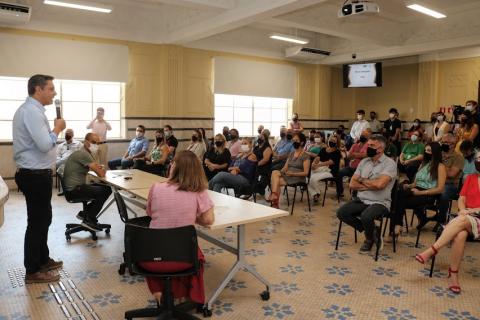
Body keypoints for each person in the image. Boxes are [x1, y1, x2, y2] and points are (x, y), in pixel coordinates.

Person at [139, 150, 214, 305]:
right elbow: (208, 220)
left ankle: (159, 293)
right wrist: (192, 214)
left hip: (150, 258)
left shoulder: (155, 187)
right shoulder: (199, 191)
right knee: (195, 252)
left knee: (160, 243)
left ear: (174, 167)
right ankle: (185, 297)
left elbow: (150, 213)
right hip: (183, 259)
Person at [13, 74, 66, 283]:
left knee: (44, 219)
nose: (54, 93)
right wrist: (57, 129)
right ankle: (33, 271)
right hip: (34, 176)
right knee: (37, 222)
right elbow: (45, 144)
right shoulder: (31, 112)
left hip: (37, 174)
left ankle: (43, 259)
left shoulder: (33, 110)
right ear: (38, 89)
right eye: (51, 89)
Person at [415, 152, 480, 294]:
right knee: (460, 234)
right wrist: (463, 210)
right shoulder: (471, 178)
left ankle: (432, 250)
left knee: (461, 223)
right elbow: (461, 199)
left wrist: (470, 211)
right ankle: (453, 275)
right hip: (466, 218)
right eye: (478, 159)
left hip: (477, 218)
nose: (478, 161)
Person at [336, 135, 397, 252]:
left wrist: (362, 180)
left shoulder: (390, 164)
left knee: (366, 216)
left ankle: (369, 239)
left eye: (372, 145)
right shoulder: (364, 162)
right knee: (342, 213)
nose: (368, 147)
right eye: (368, 145)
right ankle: (372, 230)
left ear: (381, 149)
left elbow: (380, 185)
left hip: (380, 202)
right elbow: (352, 184)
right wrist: (371, 184)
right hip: (362, 199)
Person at [392, 142, 446, 233]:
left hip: (428, 193)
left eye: (429, 150)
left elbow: (440, 189)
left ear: (435, 152)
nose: (426, 152)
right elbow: (415, 183)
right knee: (398, 192)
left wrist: (420, 193)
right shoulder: (423, 164)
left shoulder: (440, 167)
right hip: (415, 189)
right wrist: (408, 186)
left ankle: (397, 226)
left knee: (397, 200)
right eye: (425, 150)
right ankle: (398, 226)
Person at [63, 133, 112, 231]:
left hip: (73, 187)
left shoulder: (84, 153)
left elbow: (97, 169)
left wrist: (99, 169)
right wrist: (100, 169)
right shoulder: (84, 154)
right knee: (106, 190)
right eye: (93, 142)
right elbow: (101, 173)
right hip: (74, 190)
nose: (96, 145)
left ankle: (85, 214)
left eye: (98, 143)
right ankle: (89, 219)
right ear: (86, 142)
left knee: (102, 187)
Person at [267, 133, 310, 209]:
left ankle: (275, 202)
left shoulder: (306, 156)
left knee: (276, 182)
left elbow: (306, 173)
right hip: (288, 175)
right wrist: (281, 173)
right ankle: (274, 196)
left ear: (302, 142)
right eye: (293, 140)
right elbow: (285, 167)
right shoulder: (292, 153)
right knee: (274, 173)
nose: (294, 142)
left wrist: (293, 173)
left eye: (296, 140)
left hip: (298, 177)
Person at [435, 134, 465, 226]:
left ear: (453, 144)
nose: (444, 144)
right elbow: (430, 169)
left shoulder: (459, 157)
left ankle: (441, 220)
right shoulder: (438, 154)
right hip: (435, 182)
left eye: (446, 142)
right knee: (417, 190)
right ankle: (423, 217)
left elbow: (452, 174)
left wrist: (439, 167)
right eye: (443, 142)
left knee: (443, 193)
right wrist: (445, 168)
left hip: (450, 185)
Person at [336, 129, 371, 198]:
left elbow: (365, 155)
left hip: (361, 170)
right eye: (361, 135)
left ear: (368, 138)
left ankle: (354, 196)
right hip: (351, 167)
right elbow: (348, 156)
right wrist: (359, 155)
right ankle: (340, 192)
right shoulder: (355, 145)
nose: (362, 136)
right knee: (339, 173)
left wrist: (355, 154)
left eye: (364, 136)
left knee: (358, 179)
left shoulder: (369, 146)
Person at [308, 135, 341, 203]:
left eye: (334, 141)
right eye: (331, 140)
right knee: (308, 177)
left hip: (331, 171)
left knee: (312, 178)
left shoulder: (337, 152)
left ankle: (316, 193)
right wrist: (313, 164)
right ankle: (316, 193)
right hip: (320, 168)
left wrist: (318, 165)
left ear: (337, 143)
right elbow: (318, 158)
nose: (331, 142)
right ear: (328, 140)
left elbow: (330, 162)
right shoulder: (323, 149)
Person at [253, 129, 273, 197]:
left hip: (264, 168)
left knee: (259, 183)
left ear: (265, 139)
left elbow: (265, 160)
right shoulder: (256, 147)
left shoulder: (267, 148)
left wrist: (256, 165)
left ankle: (258, 189)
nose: (259, 139)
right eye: (259, 137)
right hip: (255, 166)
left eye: (261, 138)